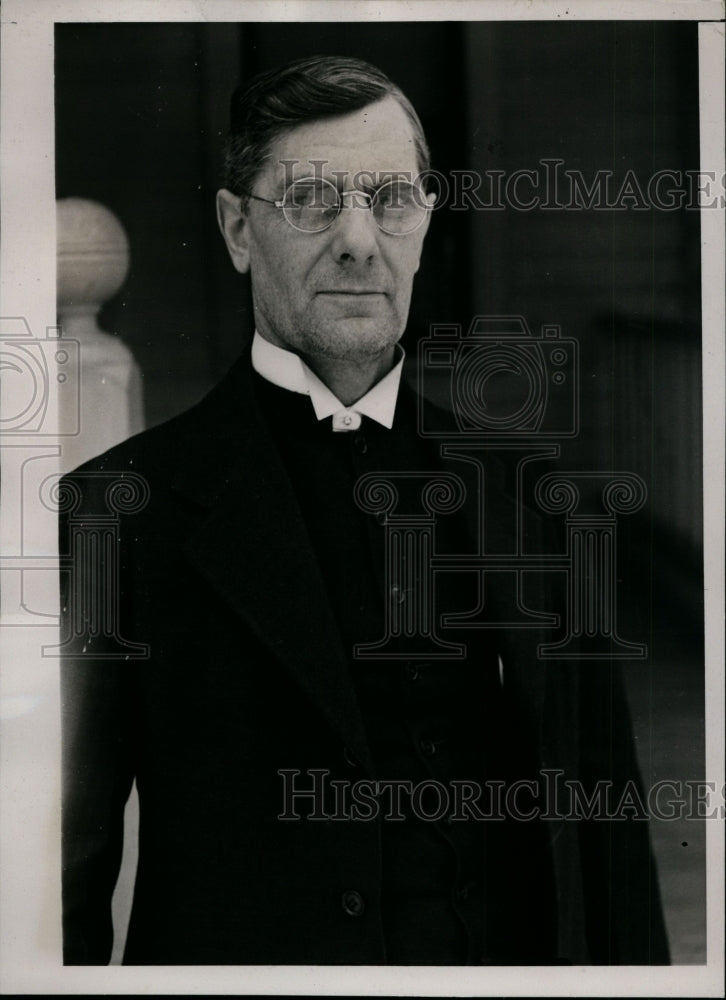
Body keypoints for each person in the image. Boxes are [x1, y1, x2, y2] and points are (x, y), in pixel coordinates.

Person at [60, 55, 669, 966]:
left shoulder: (540, 504)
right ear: (235, 229)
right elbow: (61, 886)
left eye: (391, 198)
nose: (359, 240)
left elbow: (611, 863)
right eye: (310, 201)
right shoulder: (116, 513)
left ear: (425, 224)